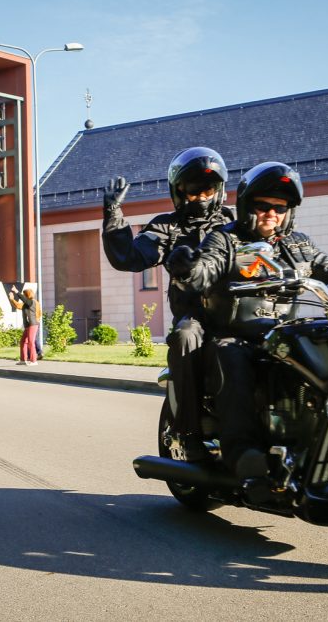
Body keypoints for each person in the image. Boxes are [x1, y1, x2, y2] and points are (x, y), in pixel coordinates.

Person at [166, 161, 328, 497]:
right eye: (263, 206)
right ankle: (243, 453)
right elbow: (206, 267)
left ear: (289, 212)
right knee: (231, 353)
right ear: (246, 207)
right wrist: (189, 269)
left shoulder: (298, 244)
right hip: (235, 333)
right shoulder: (225, 239)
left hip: (280, 332)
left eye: (279, 207)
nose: (272, 213)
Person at [101, 146, 234, 460]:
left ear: (220, 190)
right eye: (192, 190)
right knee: (185, 337)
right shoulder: (167, 227)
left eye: (208, 188)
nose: (200, 196)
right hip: (196, 318)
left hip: (236, 314)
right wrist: (114, 217)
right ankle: (189, 434)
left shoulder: (233, 225)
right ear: (179, 192)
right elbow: (130, 257)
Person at [8, 286, 40, 365]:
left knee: (31, 342)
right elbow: (18, 305)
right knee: (23, 341)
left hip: (33, 324)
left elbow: (25, 300)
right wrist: (12, 299)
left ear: (27, 295)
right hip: (28, 325)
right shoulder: (26, 304)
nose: (23, 296)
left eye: (24, 295)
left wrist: (16, 291)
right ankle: (23, 360)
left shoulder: (32, 302)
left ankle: (34, 361)